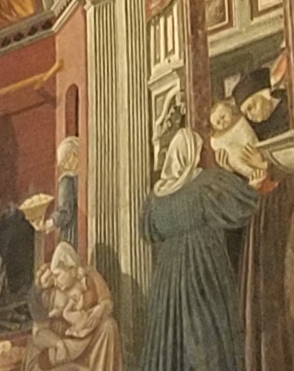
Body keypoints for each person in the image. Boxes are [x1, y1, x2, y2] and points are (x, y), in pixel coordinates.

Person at [141, 127, 260, 371]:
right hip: (202, 264)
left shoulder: (155, 198)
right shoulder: (205, 184)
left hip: (167, 273)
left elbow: (149, 232)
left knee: (171, 331)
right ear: (191, 154)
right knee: (207, 329)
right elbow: (240, 206)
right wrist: (253, 186)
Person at [28, 243, 117, 371]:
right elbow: (39, 332)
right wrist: (58, 343)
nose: (55, 281)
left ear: (70, 268)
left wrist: (101, 308)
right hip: (62, 346)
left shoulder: (89, 277)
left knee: (109, 326)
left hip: (88, 342)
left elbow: (106, 300)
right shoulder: (51, 292)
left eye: (58, 275)